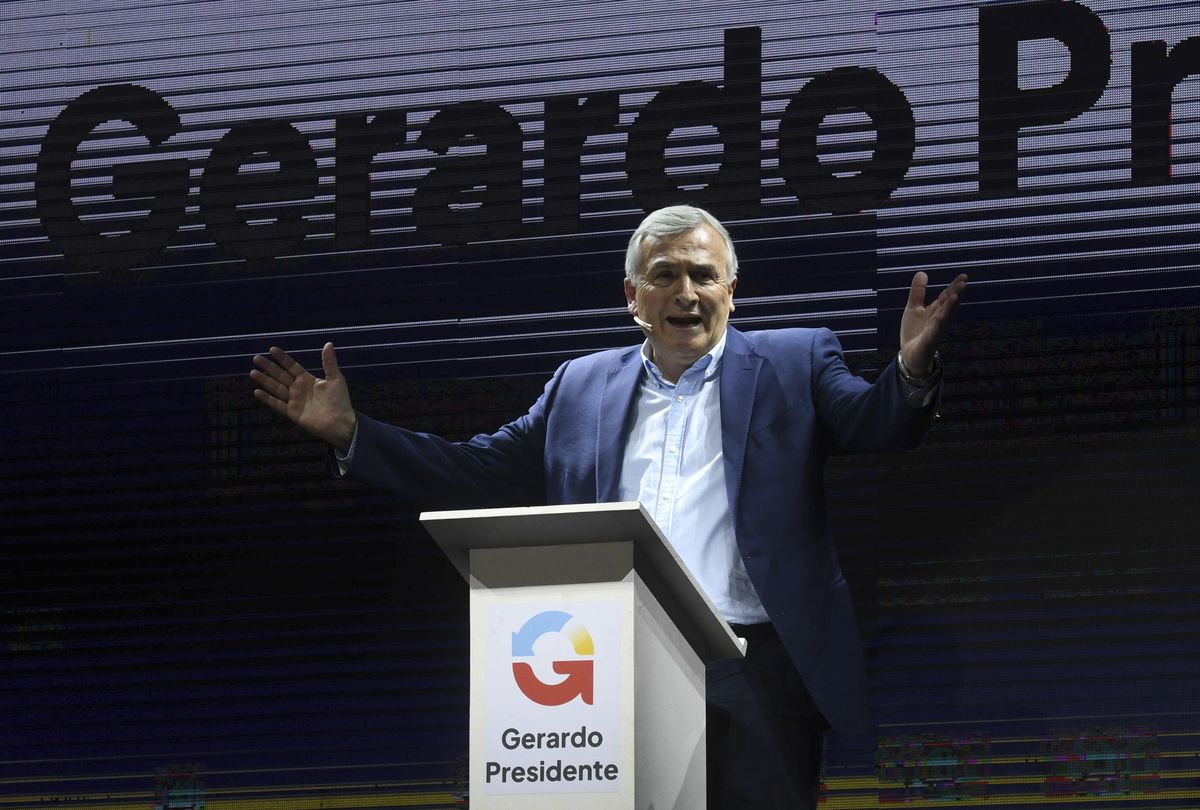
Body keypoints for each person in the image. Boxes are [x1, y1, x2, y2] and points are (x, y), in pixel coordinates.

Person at [250, 205, 967, 809]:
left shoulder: (795, 360)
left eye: (703, 275)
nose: (686, 291)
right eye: (665, 275)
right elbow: (478, 472)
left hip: (756, 671)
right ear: (633, 295)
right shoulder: (578, 385)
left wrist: (909, 370)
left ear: (731, 291)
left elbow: (878, 423)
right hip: (606, 676)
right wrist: (354, 434)